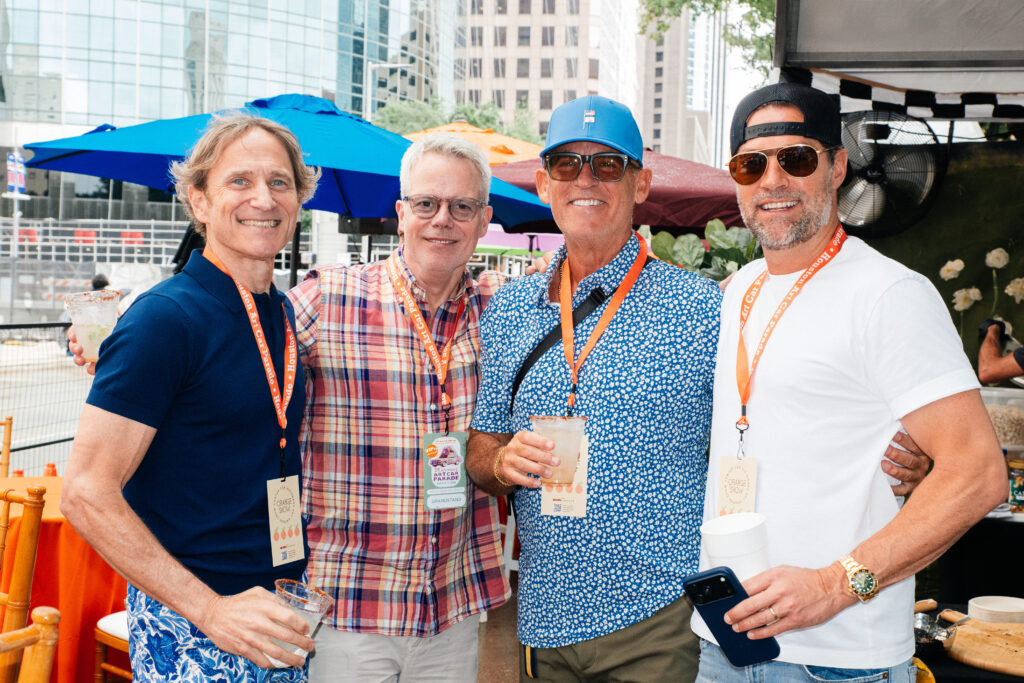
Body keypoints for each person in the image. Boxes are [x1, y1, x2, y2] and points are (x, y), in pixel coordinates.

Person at [692, 82, 1008, 680]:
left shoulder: (889, 294)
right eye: (751, 163)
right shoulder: (738, 290)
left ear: (838, 166)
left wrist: (837, 584)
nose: (773, 180)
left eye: (797, 158)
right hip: (728, 644)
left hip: (836, 659)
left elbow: (978, 473)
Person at [467, 94, 723, 681]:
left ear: (641, 184)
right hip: (544, 620)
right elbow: (480, 452)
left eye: (608, 165)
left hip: (660, 620)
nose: (586, 179)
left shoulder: (702, 308)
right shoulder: (511, 308)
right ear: (543, 184)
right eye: (567, 165)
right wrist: (503, 462)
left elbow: (765, 432)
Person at [62, 113, 321, 680]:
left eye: (280, 182)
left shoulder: (280, 313)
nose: (264, 198)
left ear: (299, 201)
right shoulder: (165, 318)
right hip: (194, 625)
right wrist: (210, 610)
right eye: (240, 181)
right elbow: (83, 493)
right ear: (198, 200)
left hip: (271, 613)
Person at [288, 133, 509, 681]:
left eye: (462, 207)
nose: (443, 220)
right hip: (348, 609)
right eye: (427, 204)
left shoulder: (502, 310)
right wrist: (122, 339)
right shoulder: (328, 297)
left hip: (451, 605)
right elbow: (232, 353)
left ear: (484, 221)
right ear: (400, 213)